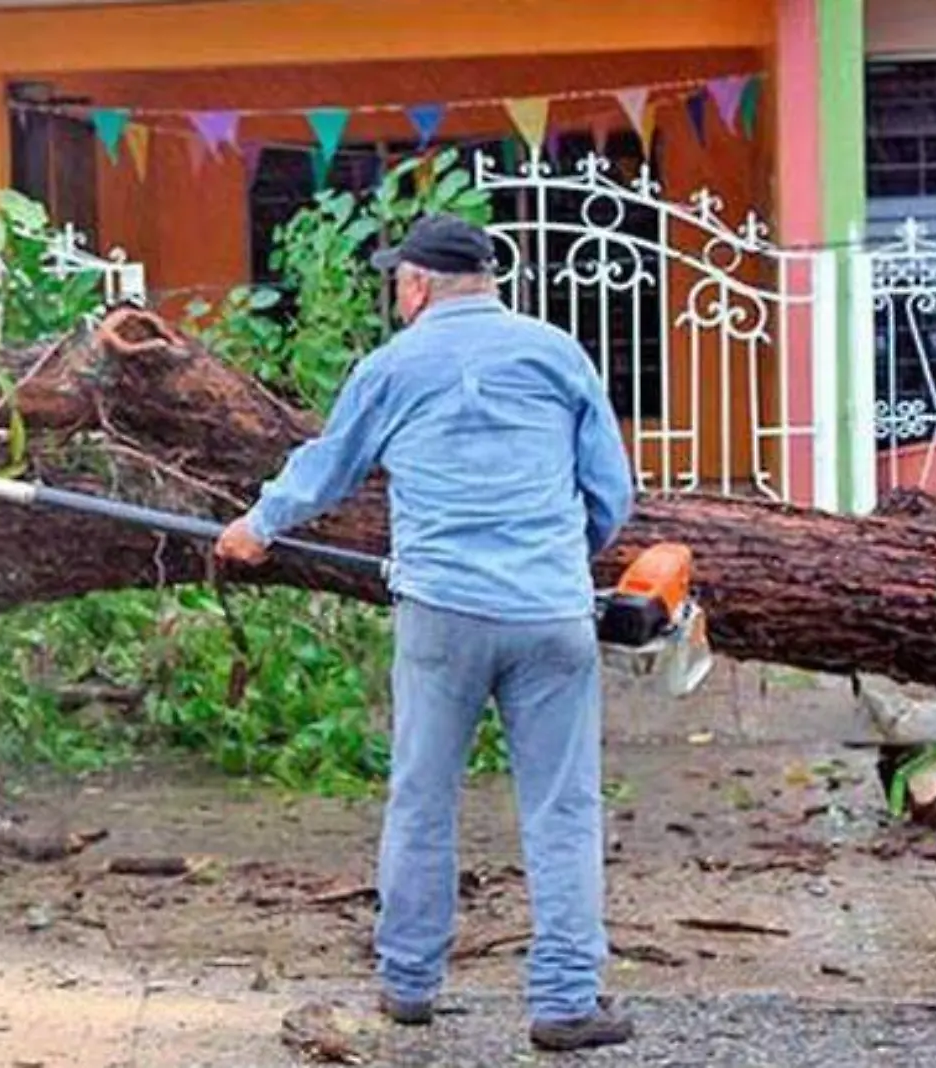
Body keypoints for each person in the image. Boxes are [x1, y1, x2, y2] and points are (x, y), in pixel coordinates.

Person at [213, 212, 637, 1052]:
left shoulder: (392, 366)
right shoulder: (557, 353)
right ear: (486, 279)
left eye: (396, 282)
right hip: (552, 615)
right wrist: (559, 560)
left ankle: (408, 984)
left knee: (421, 798)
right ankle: (563, 1001)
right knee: (563, 807)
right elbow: (610, 492)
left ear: (415, 286)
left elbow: (327, 466)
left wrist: (256, 527)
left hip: (441, 615)